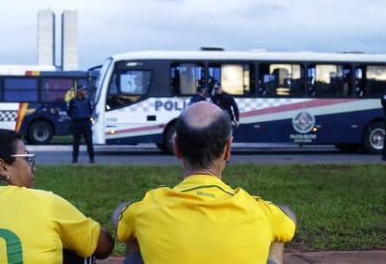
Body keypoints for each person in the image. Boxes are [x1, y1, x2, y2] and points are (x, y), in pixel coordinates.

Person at [113, 102, 296, 264]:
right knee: (276, 236)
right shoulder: (260, 210)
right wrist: (281, 212)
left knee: (134, 234)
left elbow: (118, 217)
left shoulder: (148, 207)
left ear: (176, 148)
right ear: (227, 149)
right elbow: (290, 222)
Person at [0, 128, 114, 264]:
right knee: (82, 251)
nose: (33, 169)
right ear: (2, 166)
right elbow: (103, 246)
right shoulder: (43, 202)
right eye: (27, 159)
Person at [67, 85, 95, 164]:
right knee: (76, 142)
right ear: (79, 91)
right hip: (76, 123)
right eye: (83, 90)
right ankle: (75, 159)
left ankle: (92, 158)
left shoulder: (88, 100)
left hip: (86, 123)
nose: (85, 92)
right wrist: (74, 117)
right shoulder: (73, 101)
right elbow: (69, 111)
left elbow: (91, 109)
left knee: (89, 141)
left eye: (85, 90)